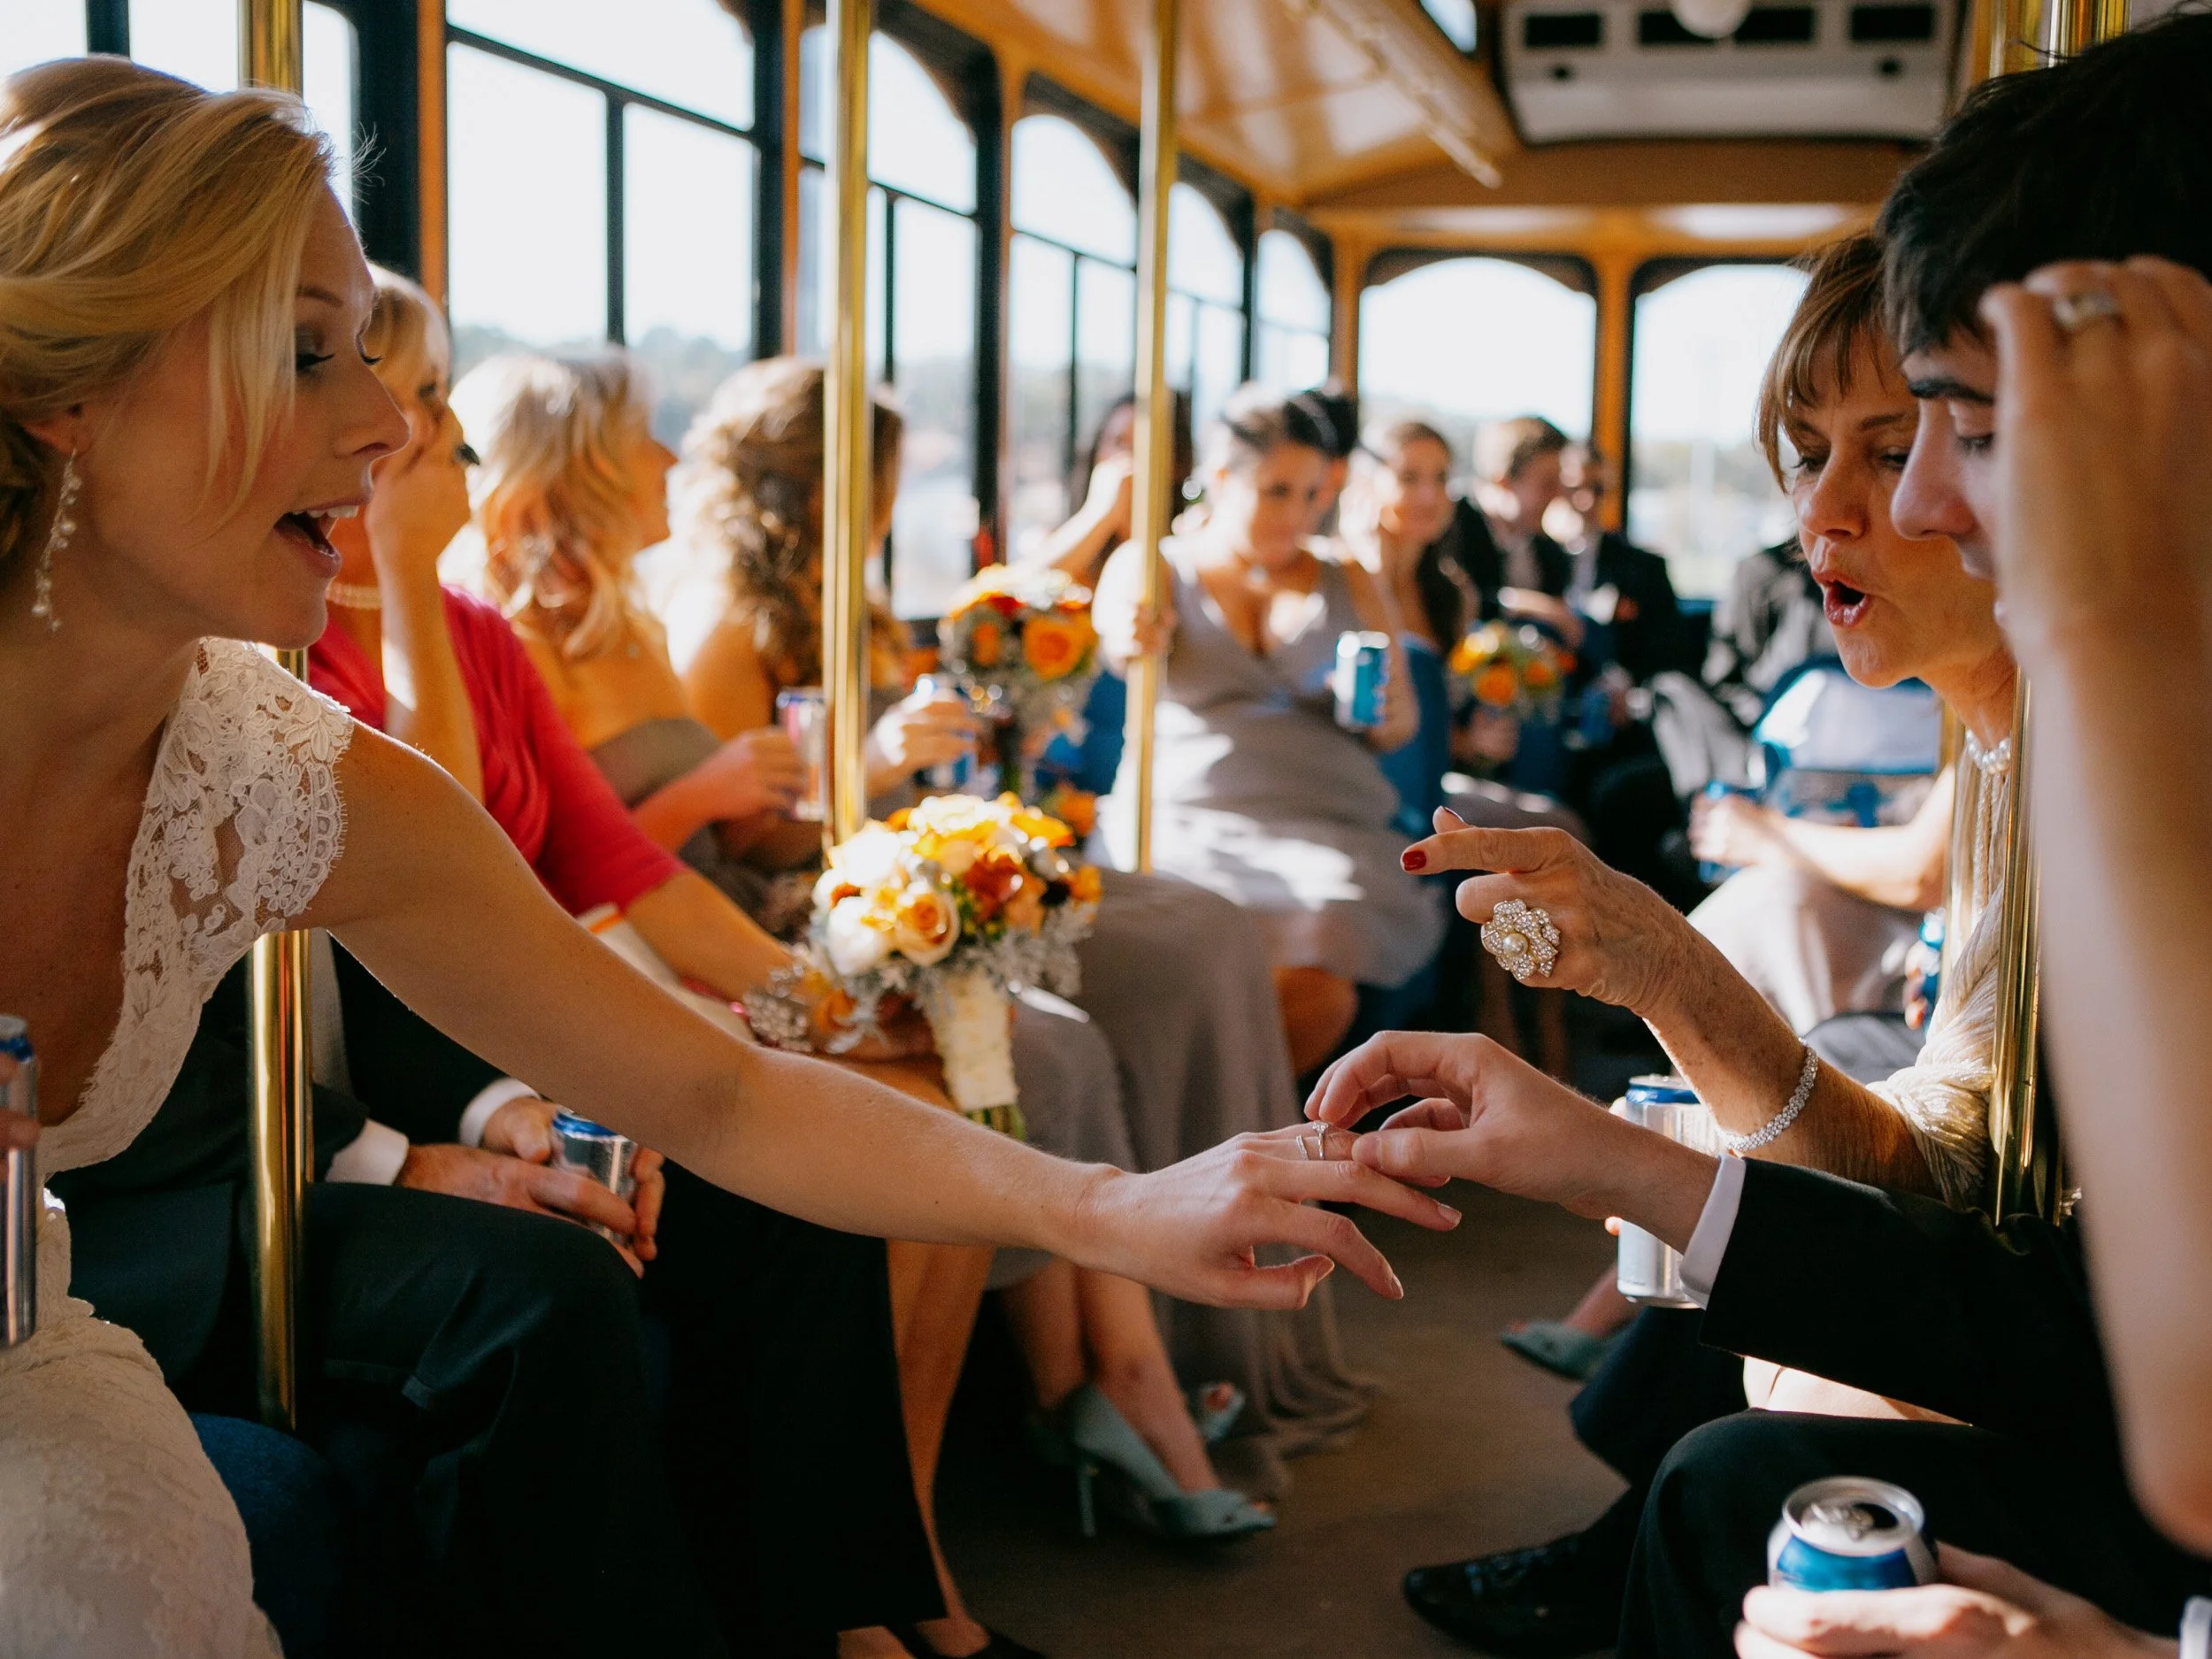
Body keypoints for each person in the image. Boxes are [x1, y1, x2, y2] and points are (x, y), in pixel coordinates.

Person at [0, 58, 1458, 1655]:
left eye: (370, 355)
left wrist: (1111, 1204)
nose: (384, 426)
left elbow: (717, 1094)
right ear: (69, 386)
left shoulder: (279, 776)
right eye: (300, 356)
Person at [455, 347, 1306, 1547]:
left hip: (727, 904)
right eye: (640, 436)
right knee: (1020, 1047)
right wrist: (756, 813)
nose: (666, 455)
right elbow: (589, 867)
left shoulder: (629, 626)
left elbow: (678, 834)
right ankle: (1088, 1395)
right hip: (683, 930)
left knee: (1088, 996)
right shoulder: (538, 639)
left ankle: (1107, 1384)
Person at [1386, 230, 2024, 1654]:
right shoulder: (1993, 753)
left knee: (1730, 1467)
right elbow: (1944, 1167)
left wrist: (1664, 986)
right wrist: (1656, 967)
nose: (1840, 513)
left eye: (1921, 442)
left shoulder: (2091, 774)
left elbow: (2004, 1240)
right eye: (1808, 457)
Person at [663, 357, 1377, 1498]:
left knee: (1208, 930)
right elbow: (743, 843)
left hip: (906, 848)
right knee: (1079, 1026)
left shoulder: (839, 595)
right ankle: (1105, 1373)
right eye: (882, 478)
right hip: (815, 897)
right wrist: (880, 761)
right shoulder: (725, 630)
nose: (892, 502)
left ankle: (1218, 1316)